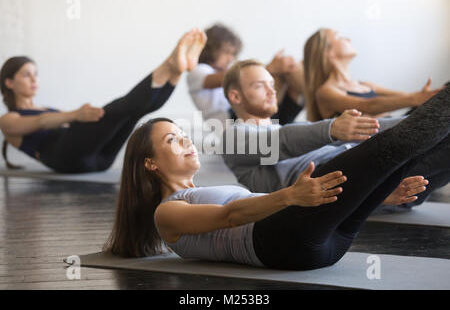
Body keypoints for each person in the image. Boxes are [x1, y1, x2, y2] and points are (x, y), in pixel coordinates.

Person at [103, 86, 449, 271]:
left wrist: (382, 194)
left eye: (183, 134)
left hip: (322, 245)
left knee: (398, 164)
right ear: (149, 164)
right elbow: (231, 216)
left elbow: (244, 209)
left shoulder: (199, 193)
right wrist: (290, 196)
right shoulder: (166, 212)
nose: (186, 141)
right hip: (281, 242)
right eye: (172, 140)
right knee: (390, 147)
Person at [221, 59, 432, 211]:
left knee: (440, 133)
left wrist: (417, 121)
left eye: (271, 84)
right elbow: (278, 143)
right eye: (260, 86)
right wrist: (331, 129)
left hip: (377, 180)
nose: (272, 91)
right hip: (346, 175)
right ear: (235, 96)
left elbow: (369, 126)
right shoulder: (232, 139)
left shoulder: (285, 128)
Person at [0, 28, 207, 173]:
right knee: (119, 108)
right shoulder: (8, 119)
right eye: (26, 75)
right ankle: (170, 63)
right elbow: (40, 122)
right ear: (9, 82)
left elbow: (54, 121)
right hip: (66, 159)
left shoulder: (46, 109)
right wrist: (75, 115)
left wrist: (77, 118)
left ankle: (176, 71)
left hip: (100, 160)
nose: (34, 79)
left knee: (133, 111)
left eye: (35, 74)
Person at [303, 28, 443, 121]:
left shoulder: (365, 85)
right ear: (327, 52)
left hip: (394, 128)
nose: (348, 39)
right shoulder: (326, 92)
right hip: (375, 144)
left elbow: (407, 97)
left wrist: (427, 97)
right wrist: (416, 99)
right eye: (340, 37)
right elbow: (368, 106)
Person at [187, 23, 305, 127]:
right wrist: (271, 67)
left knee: (289, 69)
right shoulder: (197, 71)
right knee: (281, 71)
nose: (230, 58)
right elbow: (231, 78)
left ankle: (312, 97)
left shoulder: (226, 70)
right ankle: (314, 99)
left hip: (254, 116)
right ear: (211, 49)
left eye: (233, 54)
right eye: (227, 52)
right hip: (235, 120)